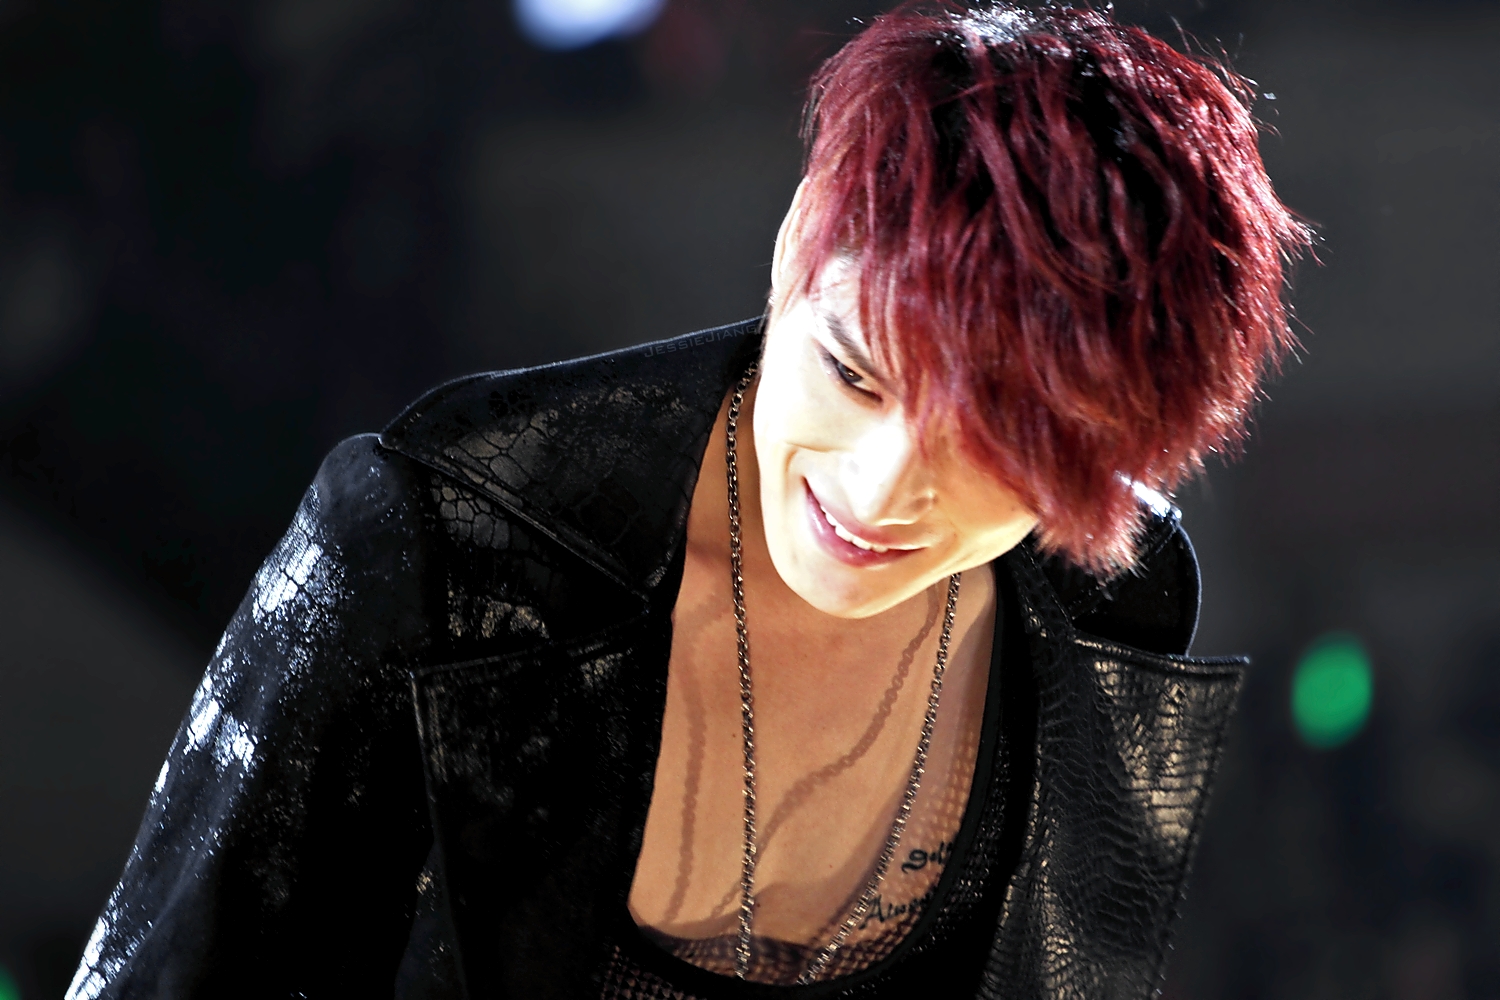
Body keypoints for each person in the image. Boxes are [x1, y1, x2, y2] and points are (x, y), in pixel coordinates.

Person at [67, 3, 1310, 998]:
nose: (880, 489)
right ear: (796, 243)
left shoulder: (1108, 608)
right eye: (853, 373)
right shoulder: (437, 547)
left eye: (993, 446)